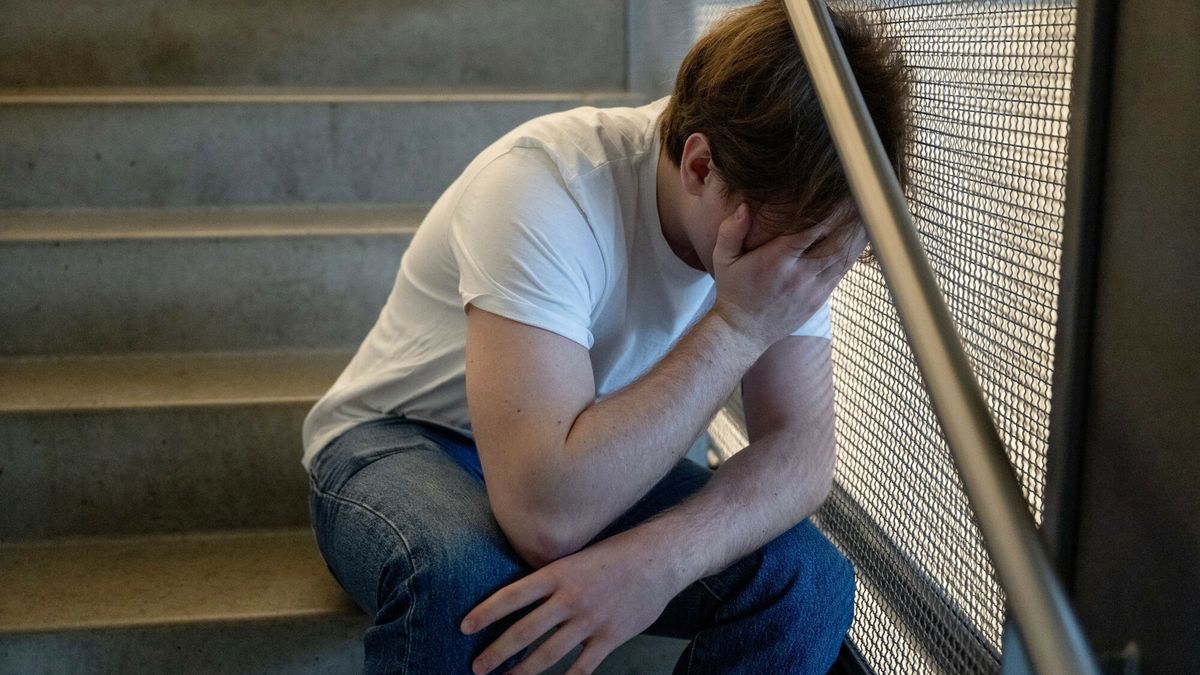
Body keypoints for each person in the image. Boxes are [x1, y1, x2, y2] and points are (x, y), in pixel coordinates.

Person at [302, 1, 909, 672]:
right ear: (701, 168)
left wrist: (657, 560)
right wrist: (738, 327)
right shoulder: (544, 186)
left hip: (585, 451)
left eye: (833, 255)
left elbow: (799, 449)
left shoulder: (793, 222)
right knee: (464, 580)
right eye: (800, 249)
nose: (807, 276)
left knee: (808, 581)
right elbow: (547, 516)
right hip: (408, 436)